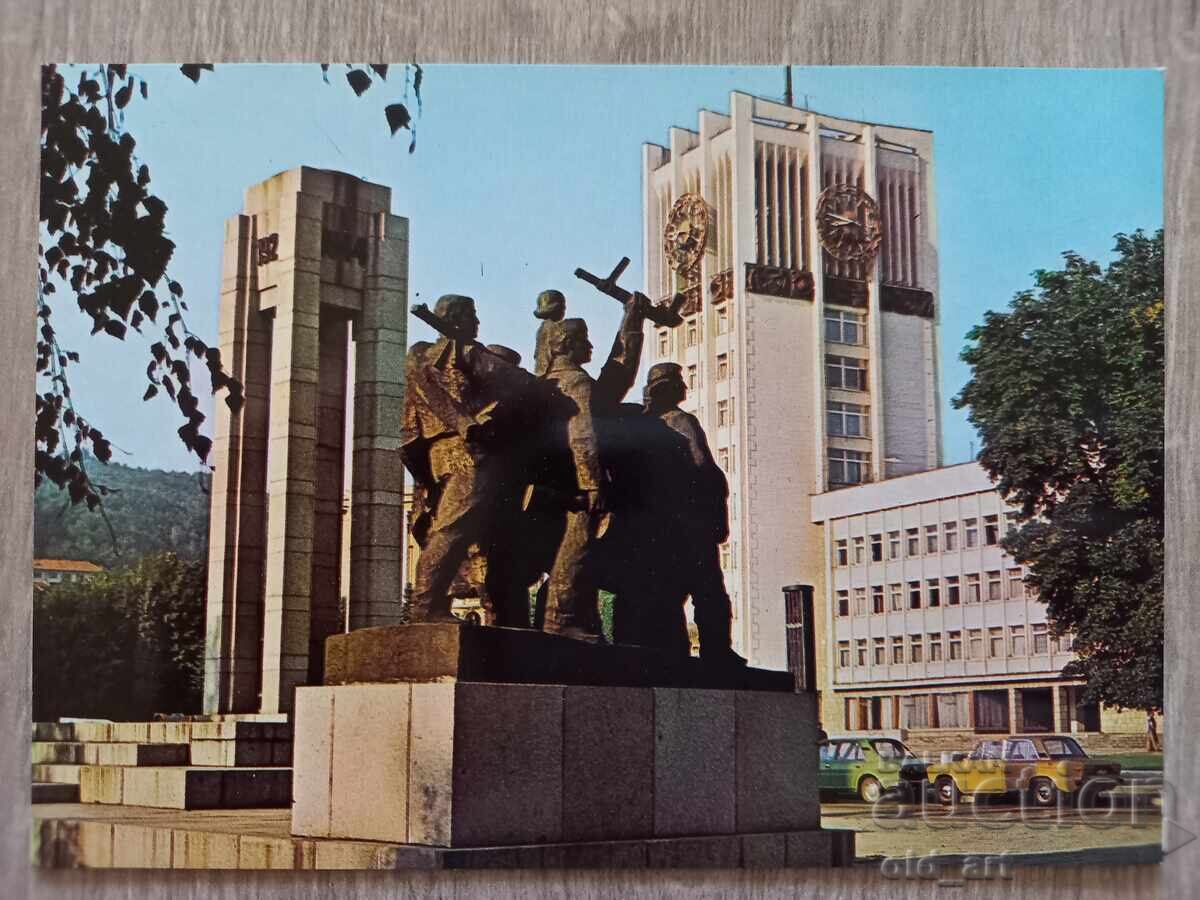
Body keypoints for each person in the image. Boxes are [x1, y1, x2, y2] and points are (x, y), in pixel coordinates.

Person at [399, 295, 533, 623]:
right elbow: (521, 382)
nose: (477, 322)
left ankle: (468, 609)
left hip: (437, 453)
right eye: (472, 315)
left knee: (471, 532)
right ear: (459, 320)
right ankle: (427, 607)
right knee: (454, 527)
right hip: (464, 452)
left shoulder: (421, 357)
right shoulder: (468, 354)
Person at [538, 298, 646, 641]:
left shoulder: (550, 379)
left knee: (572, 553)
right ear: (567, 345)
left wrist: (631, 320)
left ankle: (578, 620)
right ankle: (560, 620)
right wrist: (593, 483)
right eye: (584, 340)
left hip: (555, 481)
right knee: (576, 548)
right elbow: (582, 434)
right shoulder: (578, 384)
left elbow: (618, 373)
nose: (590, 345)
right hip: (577, 486)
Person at [637, 362, 747, 665]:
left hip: (659, 529)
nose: (686, 388)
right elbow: (706, 470)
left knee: (669, 594)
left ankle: (674, 651)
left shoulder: (644, 425)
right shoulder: (681, 420)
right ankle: (717, 651)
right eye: (680, 383)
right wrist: (718, 517)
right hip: (691, 525)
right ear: (670, 389)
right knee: (709, 592)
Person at [532, 289, 566, 376]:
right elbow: (543, 355)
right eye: (562, 308)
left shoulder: (545, 327)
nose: (564, 310)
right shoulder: (551, 327)